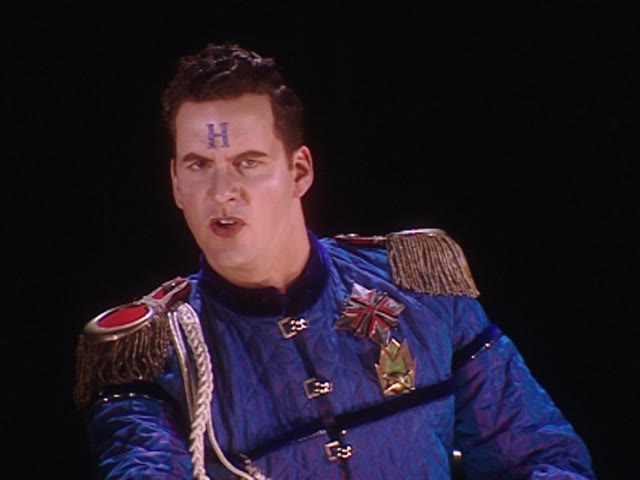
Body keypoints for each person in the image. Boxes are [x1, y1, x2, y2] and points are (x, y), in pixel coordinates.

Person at [73, 43, 595, 479]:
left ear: (299, 171)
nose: (222, 191)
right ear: (175, 184)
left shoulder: (419, 288)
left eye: (247, 163)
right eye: (199, 165)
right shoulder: (151, 355)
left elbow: (541, 458)